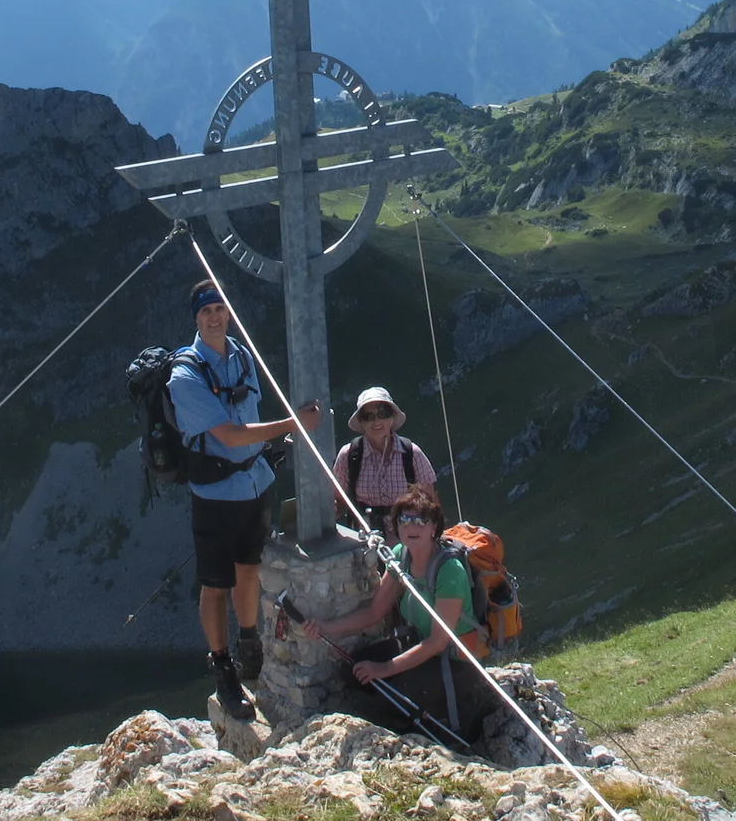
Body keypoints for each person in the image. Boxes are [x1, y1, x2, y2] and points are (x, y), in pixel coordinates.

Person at [168, 278, 321, 722]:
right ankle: (223, 669)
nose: (214, 316)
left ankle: (250, 643)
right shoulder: (185, 374)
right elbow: (231, 436)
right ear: (196, 318)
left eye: (219, 307)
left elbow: (248, 423)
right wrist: (293, 424)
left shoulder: (241, 355)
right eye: (205, 311)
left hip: (254, 485)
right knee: (215, 585)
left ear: (228, 311)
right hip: (215, 495)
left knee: (249, 568)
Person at [302, 488, 497, 744]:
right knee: (353, 671)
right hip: (421, 645)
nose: (411, 526)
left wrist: (383, 668)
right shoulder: (400, 557)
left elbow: (438, 641)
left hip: (454, 662)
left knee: (388, 697)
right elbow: (374, 612)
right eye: (405, 519)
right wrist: (326, 628)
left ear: (434, 527)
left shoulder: (450, 570)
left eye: (420, 520)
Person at [332, 386, 439, 535]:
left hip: (407, 540)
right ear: (361, 422)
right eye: (368, 416)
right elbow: (339, 501)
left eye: (382, 413)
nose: (376, 421)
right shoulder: (348, 455)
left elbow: (430, 503)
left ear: (392, 417)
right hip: (365, 539)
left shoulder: (412, 453)